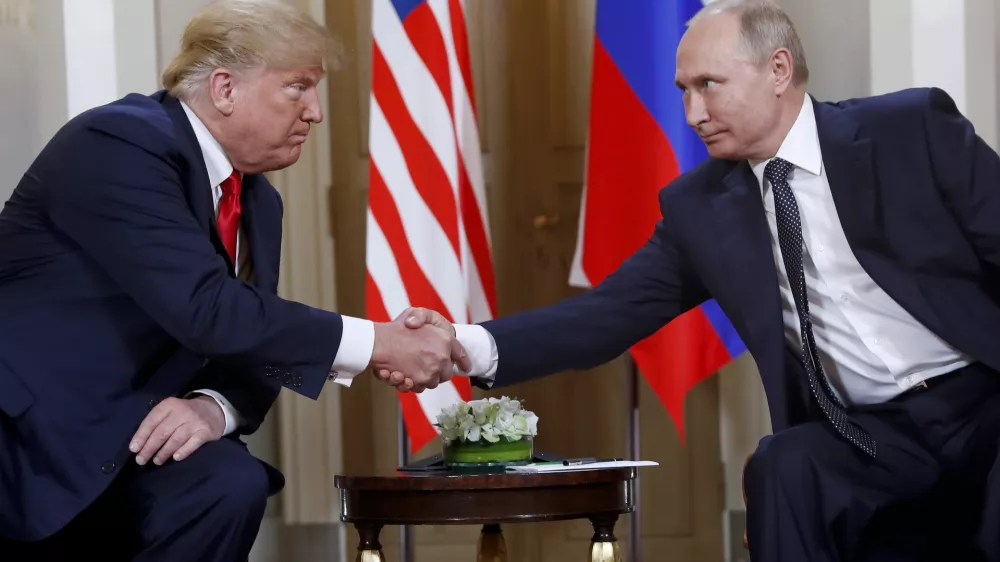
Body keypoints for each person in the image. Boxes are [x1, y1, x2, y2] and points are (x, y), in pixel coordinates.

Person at [381, 0, 1000, 560]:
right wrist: (465, 344)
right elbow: (607, 315)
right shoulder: (701, 207)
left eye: (709, 86)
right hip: (872, 436)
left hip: (983, 401)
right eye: (683, 91)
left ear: (778, 70)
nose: (692, 113)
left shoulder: (908, 130)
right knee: (784, 464)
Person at [0, 0, 467, 559]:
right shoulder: (120, 143)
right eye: (298, 87)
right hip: (33, 436)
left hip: (136, 437)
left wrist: (213, 406)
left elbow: (252, 336)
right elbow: (208, 308)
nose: (315, 112)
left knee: (227, 484)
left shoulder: (258, 201)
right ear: (224, 89)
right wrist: (379, 342)